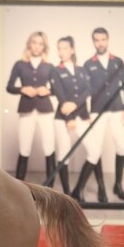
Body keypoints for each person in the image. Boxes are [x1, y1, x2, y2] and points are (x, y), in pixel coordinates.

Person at [50, 36, 104, 202]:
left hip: (80, 116)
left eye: (65, 48)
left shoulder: (81, 70)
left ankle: (78, 189)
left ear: (72, 50)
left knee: (95, 151)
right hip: (63, 118)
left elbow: (87, 90)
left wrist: (79, 110)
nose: (61, 52)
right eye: (59, 48)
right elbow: (60, 95)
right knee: (64, 154)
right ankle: (67, 194)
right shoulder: (55, 70)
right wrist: (69, 117)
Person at [84, 26, 124, 201]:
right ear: (93, 42)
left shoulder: (117, 61)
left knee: (122, 146)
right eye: (97, 39)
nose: (100, 42)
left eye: (103, 39)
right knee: (97, 149)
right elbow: (84, 90)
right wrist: (86, 112)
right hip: (97, 111)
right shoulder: (89, 64)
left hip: (117, 109)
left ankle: (118, 185)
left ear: (108, 40)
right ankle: (101, 188)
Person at [6, 31, 56, 183]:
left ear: (44, 47)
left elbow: (57, 89)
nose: (37, 46)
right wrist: (22, 89)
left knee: (49, 147)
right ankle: (19, 186)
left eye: (41, 44)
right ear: (29, 44)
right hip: (26, 110)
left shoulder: (49, 66)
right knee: (24, 147)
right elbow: (9, 87)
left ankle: (50, 187)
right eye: (34, 42)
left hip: (45, 111)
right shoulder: (20, 64)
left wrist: (48, 90)